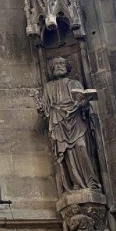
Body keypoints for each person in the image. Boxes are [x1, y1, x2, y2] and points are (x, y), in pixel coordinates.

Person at [37, 57, 101, 192]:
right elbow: (45, 108)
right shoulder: (48, 87)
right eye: (56, 64)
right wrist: (41, 108)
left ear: (67, 67)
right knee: (66, 153)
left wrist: (84, 103)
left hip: (76, 120)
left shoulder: (75, 83)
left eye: (62, 64)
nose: (59, 66)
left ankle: (90, 182)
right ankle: (75, 183)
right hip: (58, 122)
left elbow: (85, 105)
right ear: (52, 68)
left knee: (81, 147)